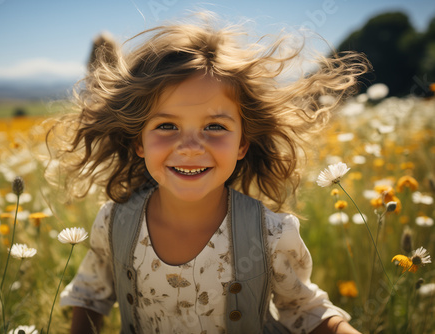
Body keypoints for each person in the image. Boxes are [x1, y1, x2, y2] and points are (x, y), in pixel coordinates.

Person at [49, 12, 366, 334]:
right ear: (138, 142)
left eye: (214, 126)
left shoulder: (271, 234)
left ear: (242, 143)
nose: (190, 147)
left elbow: (305, 311)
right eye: (166, 126)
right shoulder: (114, 223)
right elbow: (89, 296)